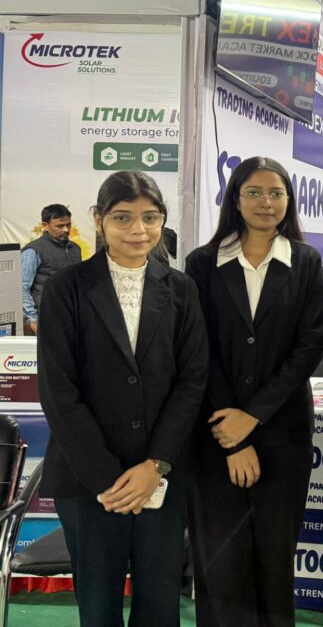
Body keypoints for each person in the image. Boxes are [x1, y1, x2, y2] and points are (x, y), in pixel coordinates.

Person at [36, 171, 208, 627]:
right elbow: (58, 390)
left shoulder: (181, 289)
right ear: (99, 219)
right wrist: (108, 480)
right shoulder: (67, 288)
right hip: (88, 478)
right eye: (122, 217)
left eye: (150, 217)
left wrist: (156, 465)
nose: (138, 229)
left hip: (162, 476)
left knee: (159, 605)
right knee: (98, 608)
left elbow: (192, 382)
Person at [185, 156, 323, 627]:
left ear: (289, 200)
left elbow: (309, 347)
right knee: (220, 566)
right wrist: (233, 433)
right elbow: (198, 349)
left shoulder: (305, 261)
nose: (266, 202)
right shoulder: (202, 263)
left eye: (276, 193)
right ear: (235, 198)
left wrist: (253, 417)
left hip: (283, 435)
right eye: (254, 192)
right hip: (215, 435)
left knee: (274, 559)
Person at [21, 203, 82, 335]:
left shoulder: (75, 249)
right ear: (45, 225)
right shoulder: (33, 250)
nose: (66, 229)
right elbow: (22, 288)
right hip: (46, 319)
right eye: (60, 226)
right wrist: (33, 320)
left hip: (72, 318)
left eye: (68, 225)